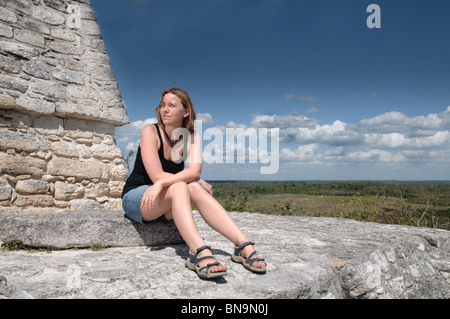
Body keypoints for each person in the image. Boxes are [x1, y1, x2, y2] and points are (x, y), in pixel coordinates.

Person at [121, 88, 266, 279]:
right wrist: (175, 180)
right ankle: (197, 251)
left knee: (194, 186)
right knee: (183, 184)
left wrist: (194, 179)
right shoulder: (150, 131)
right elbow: (157, 176)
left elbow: (195, 170)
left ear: (185, 112)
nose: (165, 110)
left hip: (167, 198)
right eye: (163, 105)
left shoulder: (192, 136)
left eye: (172, 105)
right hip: (139, 197)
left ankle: (242, 245)